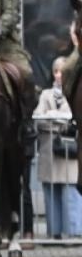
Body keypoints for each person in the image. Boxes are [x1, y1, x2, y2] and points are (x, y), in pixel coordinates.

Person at [36, 56, 79, 237]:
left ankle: (74, 232)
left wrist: (52, 116)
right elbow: (39, 118)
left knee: (71, 193)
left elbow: (74, 117)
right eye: (56, 71)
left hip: (70, 150)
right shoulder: (45, 95)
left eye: (62, 71)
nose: (59, 75)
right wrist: (61, 120)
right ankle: (54, 232)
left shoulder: (75, 91)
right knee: (50, 193)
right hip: (50, 153)